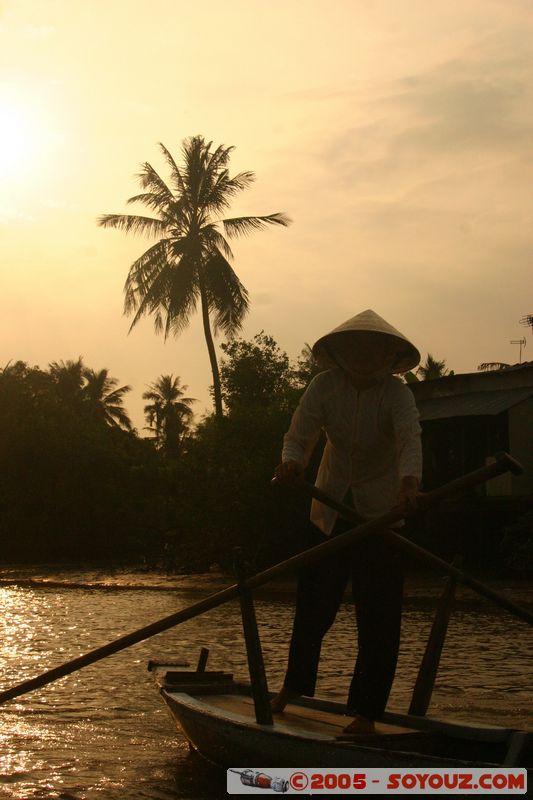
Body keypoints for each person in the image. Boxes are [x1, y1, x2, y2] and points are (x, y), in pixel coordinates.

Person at [271, 309, 422, 735]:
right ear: (340, 353)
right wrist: (292, 464)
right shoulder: (324, 386)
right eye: (354, 348)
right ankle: (293, 688)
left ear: (387, 355)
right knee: (313, 607)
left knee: (379, 616)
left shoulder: (397, 395)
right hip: (330, 509)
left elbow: (410, 440)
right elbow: (298, 436)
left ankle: (367, 713)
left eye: (372, 348)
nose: (363, 355)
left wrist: (409, 485)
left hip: (381, 516)